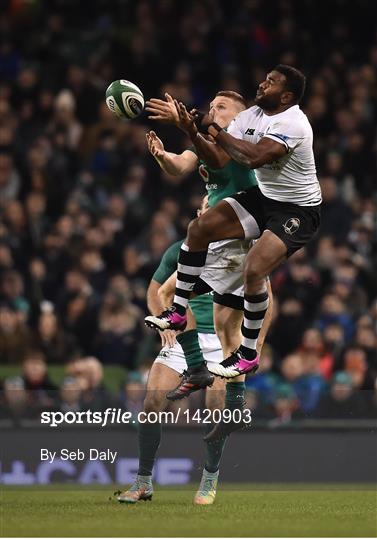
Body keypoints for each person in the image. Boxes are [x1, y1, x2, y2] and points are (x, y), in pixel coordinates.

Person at [145, 65, 321, 379]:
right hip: (265, 198)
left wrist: (210, 129)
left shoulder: (294, 123)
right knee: (199, 228)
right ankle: (177, 314)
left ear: (287, 96)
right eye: (265, 77)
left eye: (272, 82)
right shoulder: (250, 116)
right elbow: (218, 158)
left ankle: (248, 355)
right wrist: (192, 129)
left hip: (296, 210)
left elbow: (252, 157)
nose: (263, 83)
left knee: (254, 270)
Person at [117, 199, 253, 506]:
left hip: (222, 340)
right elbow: (155, 291)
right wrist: (163, 320)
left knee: (217, 404)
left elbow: (263, 298)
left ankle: (209, 479)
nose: (214, 212)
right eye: (209, 207)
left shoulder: (244, 250)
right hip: (184, 337)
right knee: (153, 398)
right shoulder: (181, 249)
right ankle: (143, 481)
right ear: (201, 215)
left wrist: (249, 344)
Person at [144, 91, 272, 399]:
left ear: (240, 117)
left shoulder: (242, 143)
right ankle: (234, 399)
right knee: (228, 327)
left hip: (236, 235)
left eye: (222, 106)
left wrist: (189, 128)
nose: (213, 110)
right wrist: (164, 157)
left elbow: (219, 158)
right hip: (226, 240)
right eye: (211, 105)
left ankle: (199, 368)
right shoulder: (206, 145)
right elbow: (181, 165)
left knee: (172, 293)